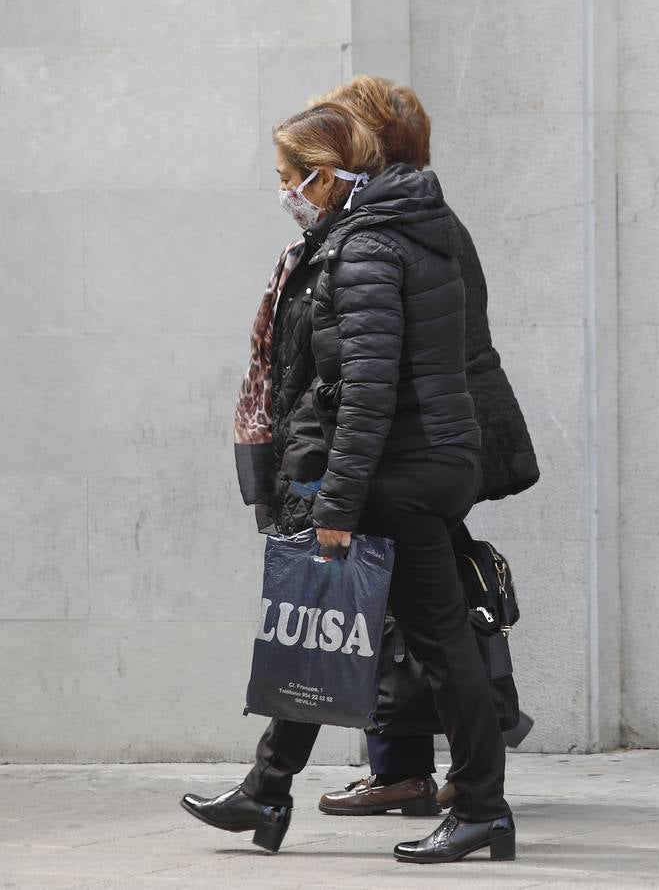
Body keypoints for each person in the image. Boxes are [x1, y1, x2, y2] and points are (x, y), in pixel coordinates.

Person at [182, 100, 515, 865]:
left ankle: (480, 809)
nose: (285, 192)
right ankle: (266, 790)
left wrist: (336, 504)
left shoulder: (365, 249)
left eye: (288, 178)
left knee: (439, 644)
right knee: (326, 619)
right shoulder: (399, 230)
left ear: (326, 178)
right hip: (417, 459)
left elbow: (366, 389)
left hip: (396, 470)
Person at [310, 75, 539, 820]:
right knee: (402, 617)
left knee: (422, 621)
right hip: (414, 451)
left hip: (402, 455)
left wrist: (338, 479)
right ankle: (401, 774)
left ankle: (469, 789)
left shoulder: (386, 233)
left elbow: (386, 370)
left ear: (363, 144)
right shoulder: (403, 223)